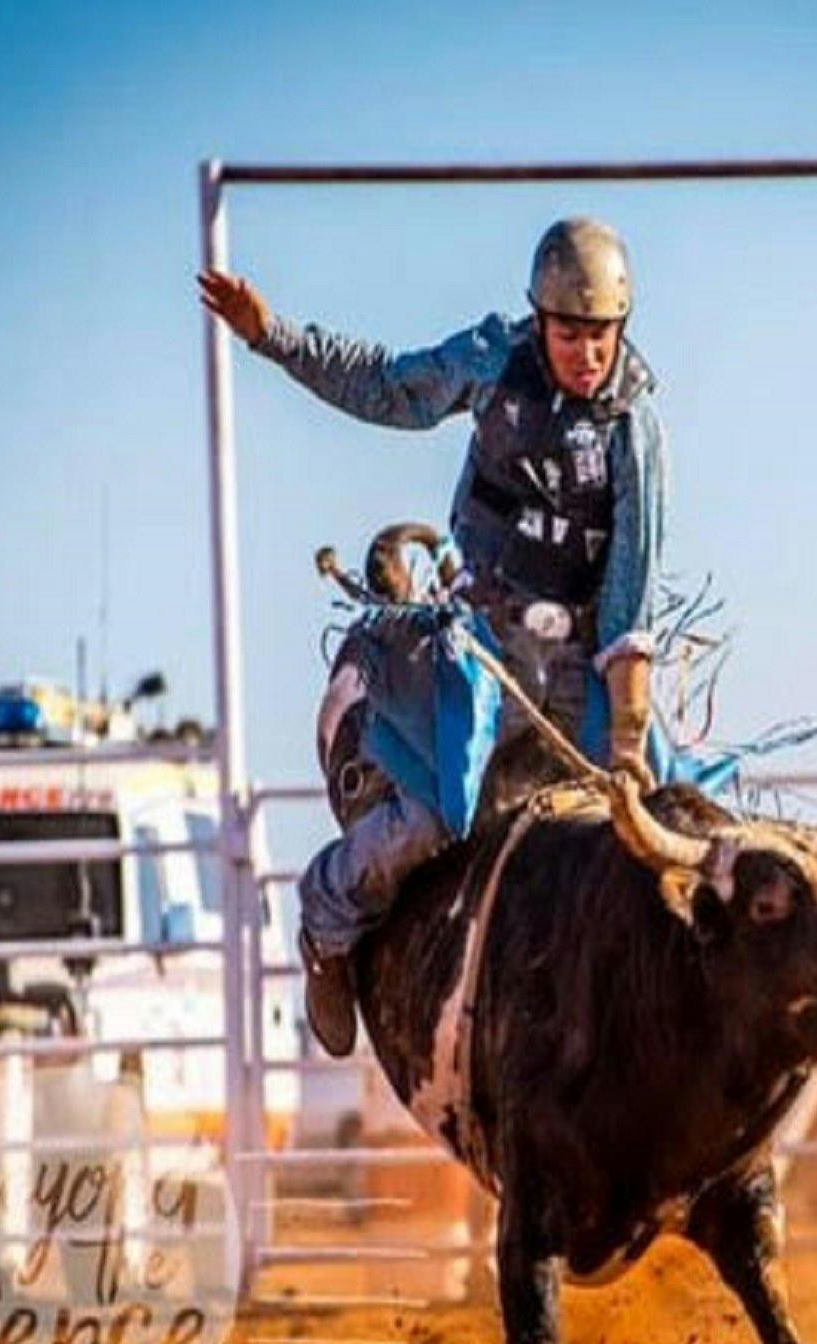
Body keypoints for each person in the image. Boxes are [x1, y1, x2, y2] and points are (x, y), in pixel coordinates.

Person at [198, 218, 667, 1053]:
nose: (586, 354)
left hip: (587, 655)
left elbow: (633, 577)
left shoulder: (635, 428)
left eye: (601, 336)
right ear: (540, 322)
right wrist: (272, 336)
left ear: (620, 330)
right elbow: (386, 384)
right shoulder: (492, 363)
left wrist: (629, 736)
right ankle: (330, 917)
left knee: (663, 814)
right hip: (482, 640)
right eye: (569, 334)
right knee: (445, 809)